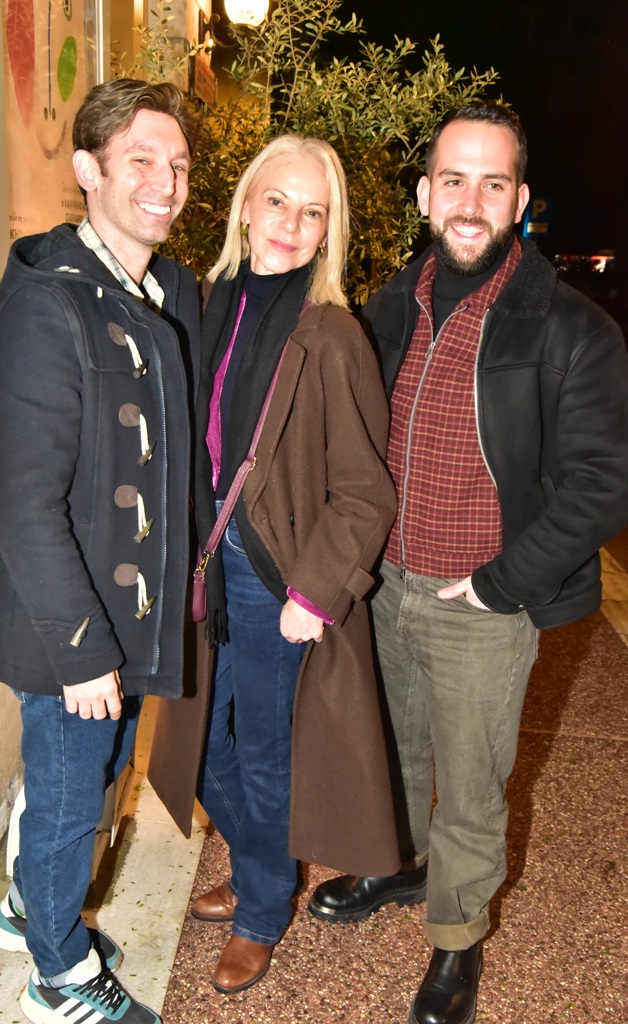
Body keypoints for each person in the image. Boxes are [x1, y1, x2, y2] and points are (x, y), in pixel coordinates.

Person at [308, 102, 628, 1024]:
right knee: (394, 751)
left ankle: (455, 937)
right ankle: (401, 867)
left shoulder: (571, 329)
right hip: (385, 587)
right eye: (455, 180)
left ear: (521, 201)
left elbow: (605, 481)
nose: (472, 201)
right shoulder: (385, 306)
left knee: (472, 786)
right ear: (425, 193)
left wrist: (501, 584)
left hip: (481, 602)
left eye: (494, 183)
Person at [0, 78, 200, 1024]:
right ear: (87, 171)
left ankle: (29, 913)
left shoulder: (145, 289)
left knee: (87, 782)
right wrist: (81, 651)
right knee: (70, 803)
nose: (165, 182)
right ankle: (58, 976)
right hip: (65, 627)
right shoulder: (49, 305)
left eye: (177, 163)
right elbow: (25, 505)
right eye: (140, 159)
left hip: (120, 613)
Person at [148, 134, 400, 995]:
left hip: (274, 582)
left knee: (261, 753)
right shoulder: (203, 304)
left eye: (313, 211)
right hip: (204, 568)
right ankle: (265, 865)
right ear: (246, 206)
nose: (291, 224)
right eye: (278, 201)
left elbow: (366, 490)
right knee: (198, 742)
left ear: (330, 230)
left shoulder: (332, 334)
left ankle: (260, 911)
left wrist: (315, 592)